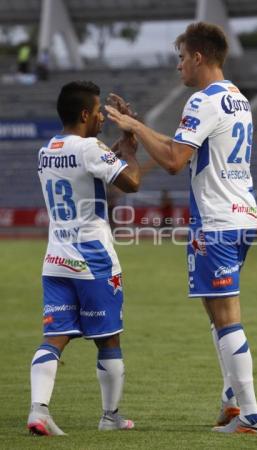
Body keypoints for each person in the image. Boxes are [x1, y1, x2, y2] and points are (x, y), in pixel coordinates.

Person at [106, 22, 257, 434]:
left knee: (226, 316)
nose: (178, 66)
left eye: (180, 58)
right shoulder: (238, 99)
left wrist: (135, 128)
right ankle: (232, 402)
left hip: (215, 219)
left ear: (198, 57)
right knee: (216, 311)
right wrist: (137, 125)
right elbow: (183, 148)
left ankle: (250, 415)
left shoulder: (202, 100)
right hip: (242, 214)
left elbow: (175, 161)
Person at [27, 81, 140, 436]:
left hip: (56, 258)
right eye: (98, 113)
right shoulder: (90, 147)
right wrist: (130, 151)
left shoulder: (46, 151)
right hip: (93, 258)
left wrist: (114, 153)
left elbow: (85, 178)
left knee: (53, 338)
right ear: (83, 115)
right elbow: (131, 182)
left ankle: (38, 410)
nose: (102, 119)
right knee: (109, 339)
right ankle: (110, 417)